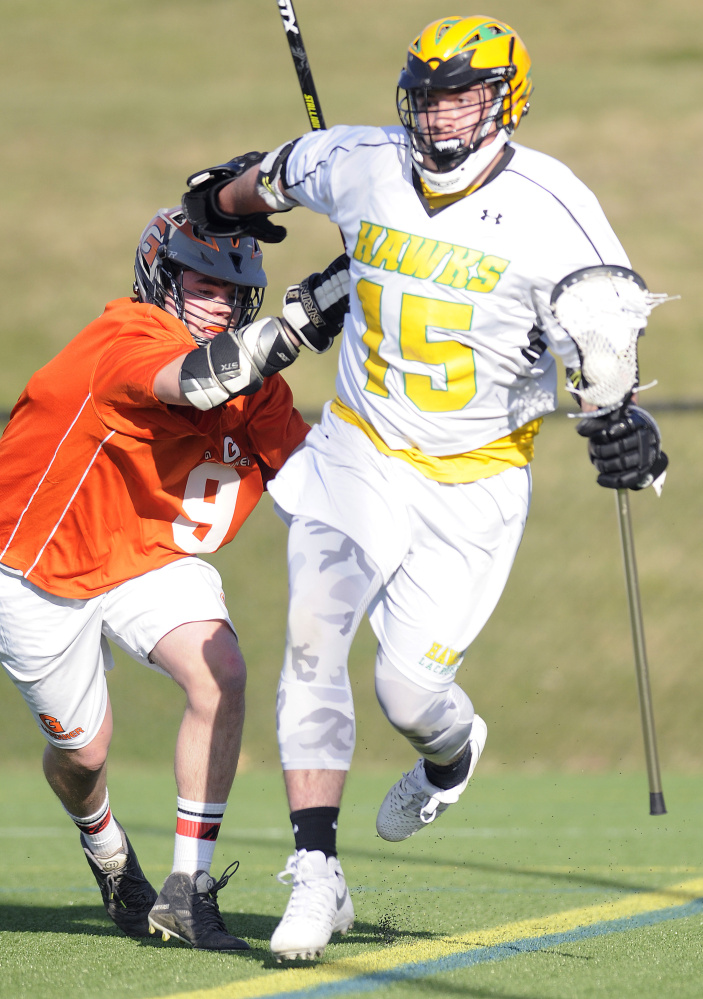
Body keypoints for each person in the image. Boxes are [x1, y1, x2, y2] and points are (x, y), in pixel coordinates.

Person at [181, 14, 668, 960]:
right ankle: (314, 870)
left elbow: (604, 351)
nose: (443, 113)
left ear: (505, 98)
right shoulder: (359, 160)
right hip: (358, 452)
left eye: (465, 93)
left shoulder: (552, 206)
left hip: (473, 481)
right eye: (431, 93)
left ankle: (452, 754)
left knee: (408, 692)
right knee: (312, 646)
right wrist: (218, 202)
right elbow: (269, 175)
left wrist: (622, 429)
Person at [0, 206, 349, 950]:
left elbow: (318, 485)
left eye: (232, 290)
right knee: (83, 755)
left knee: (220, 670)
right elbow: (191, 383)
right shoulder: (126, 336)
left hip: (149, 553)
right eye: (202, 283)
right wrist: (295, 326)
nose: (219, 300)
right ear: (160, 276)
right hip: (37, 566)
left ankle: (186, 891)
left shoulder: (257, 387)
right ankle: (103, 843)